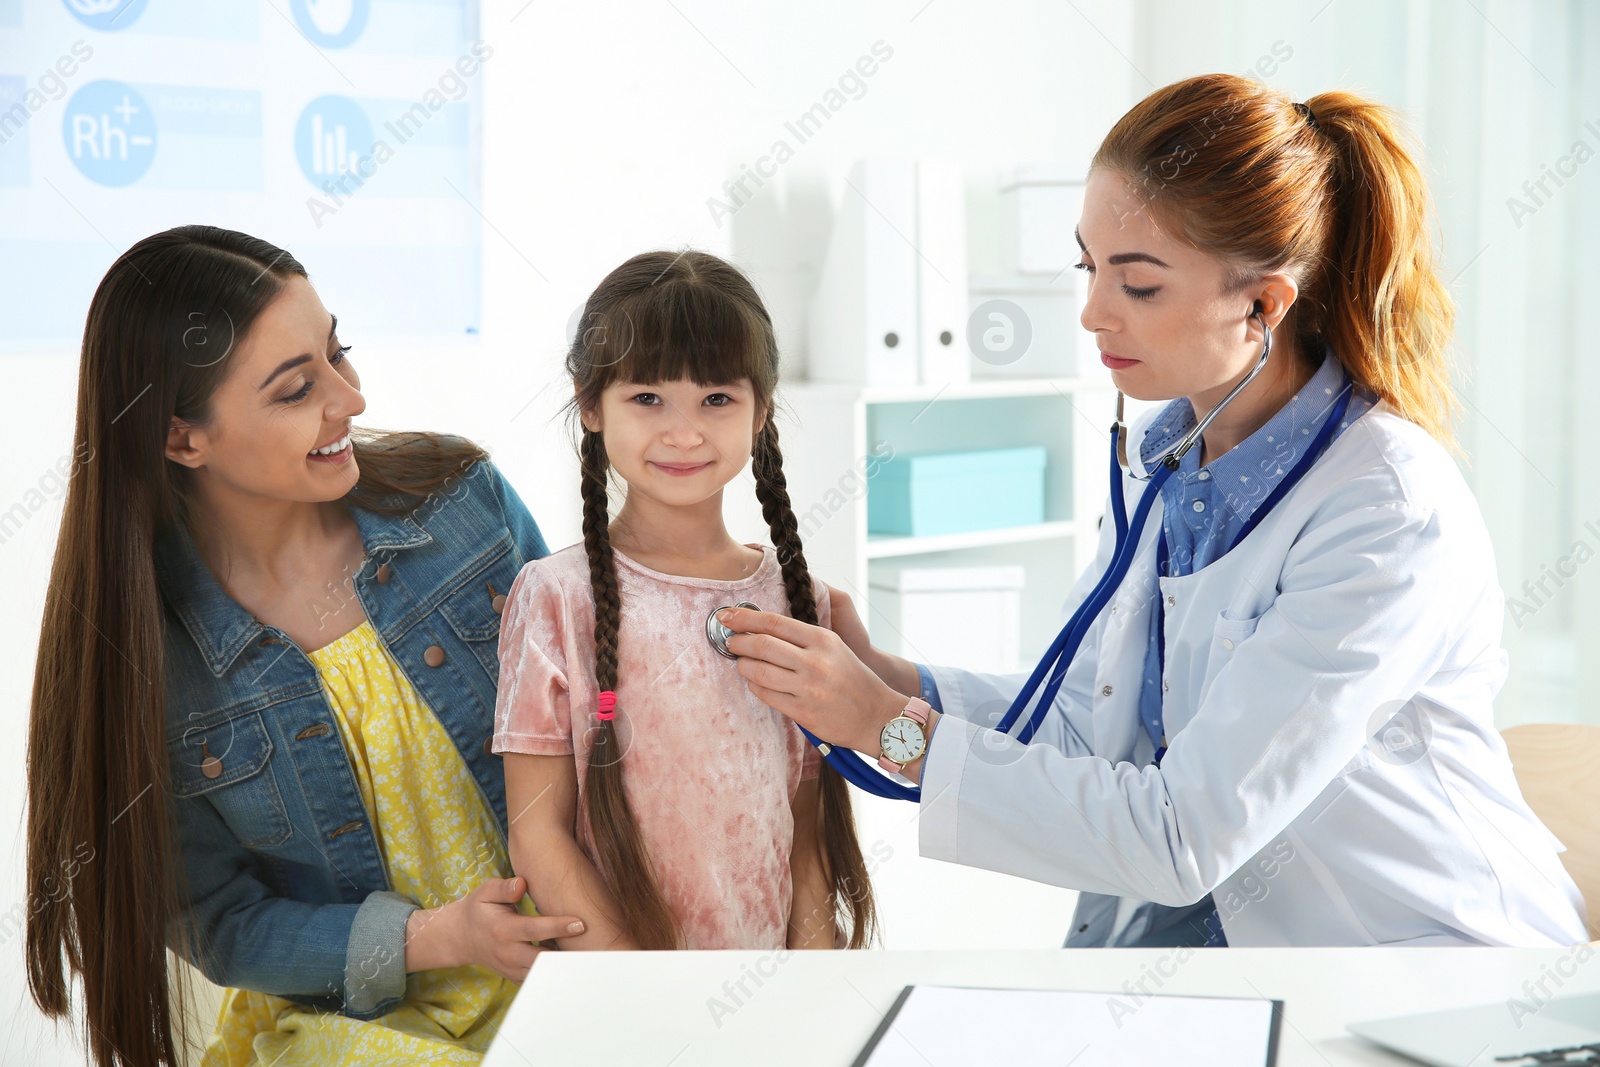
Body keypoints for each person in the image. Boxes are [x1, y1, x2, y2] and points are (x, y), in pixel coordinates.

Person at [719, 75, 1590, 947]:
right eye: (1088, 266)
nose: (1094, 311)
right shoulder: (1172, 465)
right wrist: (888, 676)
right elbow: (1085, 725)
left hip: (1415, 968)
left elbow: (1183, 834)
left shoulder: (1387, 511)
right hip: (1214, 940)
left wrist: (880, 722)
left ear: (1263, 304)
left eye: (1138, 285)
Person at [24, 226, 586, 1067]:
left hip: (581, 967)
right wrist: (437, 937)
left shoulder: (462, 500)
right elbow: (223, 921)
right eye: (296, 390)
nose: (349, 399)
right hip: (366, 1027)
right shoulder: (154, 659)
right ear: (183, 438)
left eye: (338, 353)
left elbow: (600, 716)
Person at [493, 250, 877, 951]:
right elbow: (539, 835)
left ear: (761, 408)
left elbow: (806, 826)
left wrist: (813, 981)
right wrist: (648, 998)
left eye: (716, 399)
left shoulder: (798, 599)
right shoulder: (554, 596)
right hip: (627, 1009)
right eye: (647, 398)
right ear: (590, 405)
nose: (684, 432)